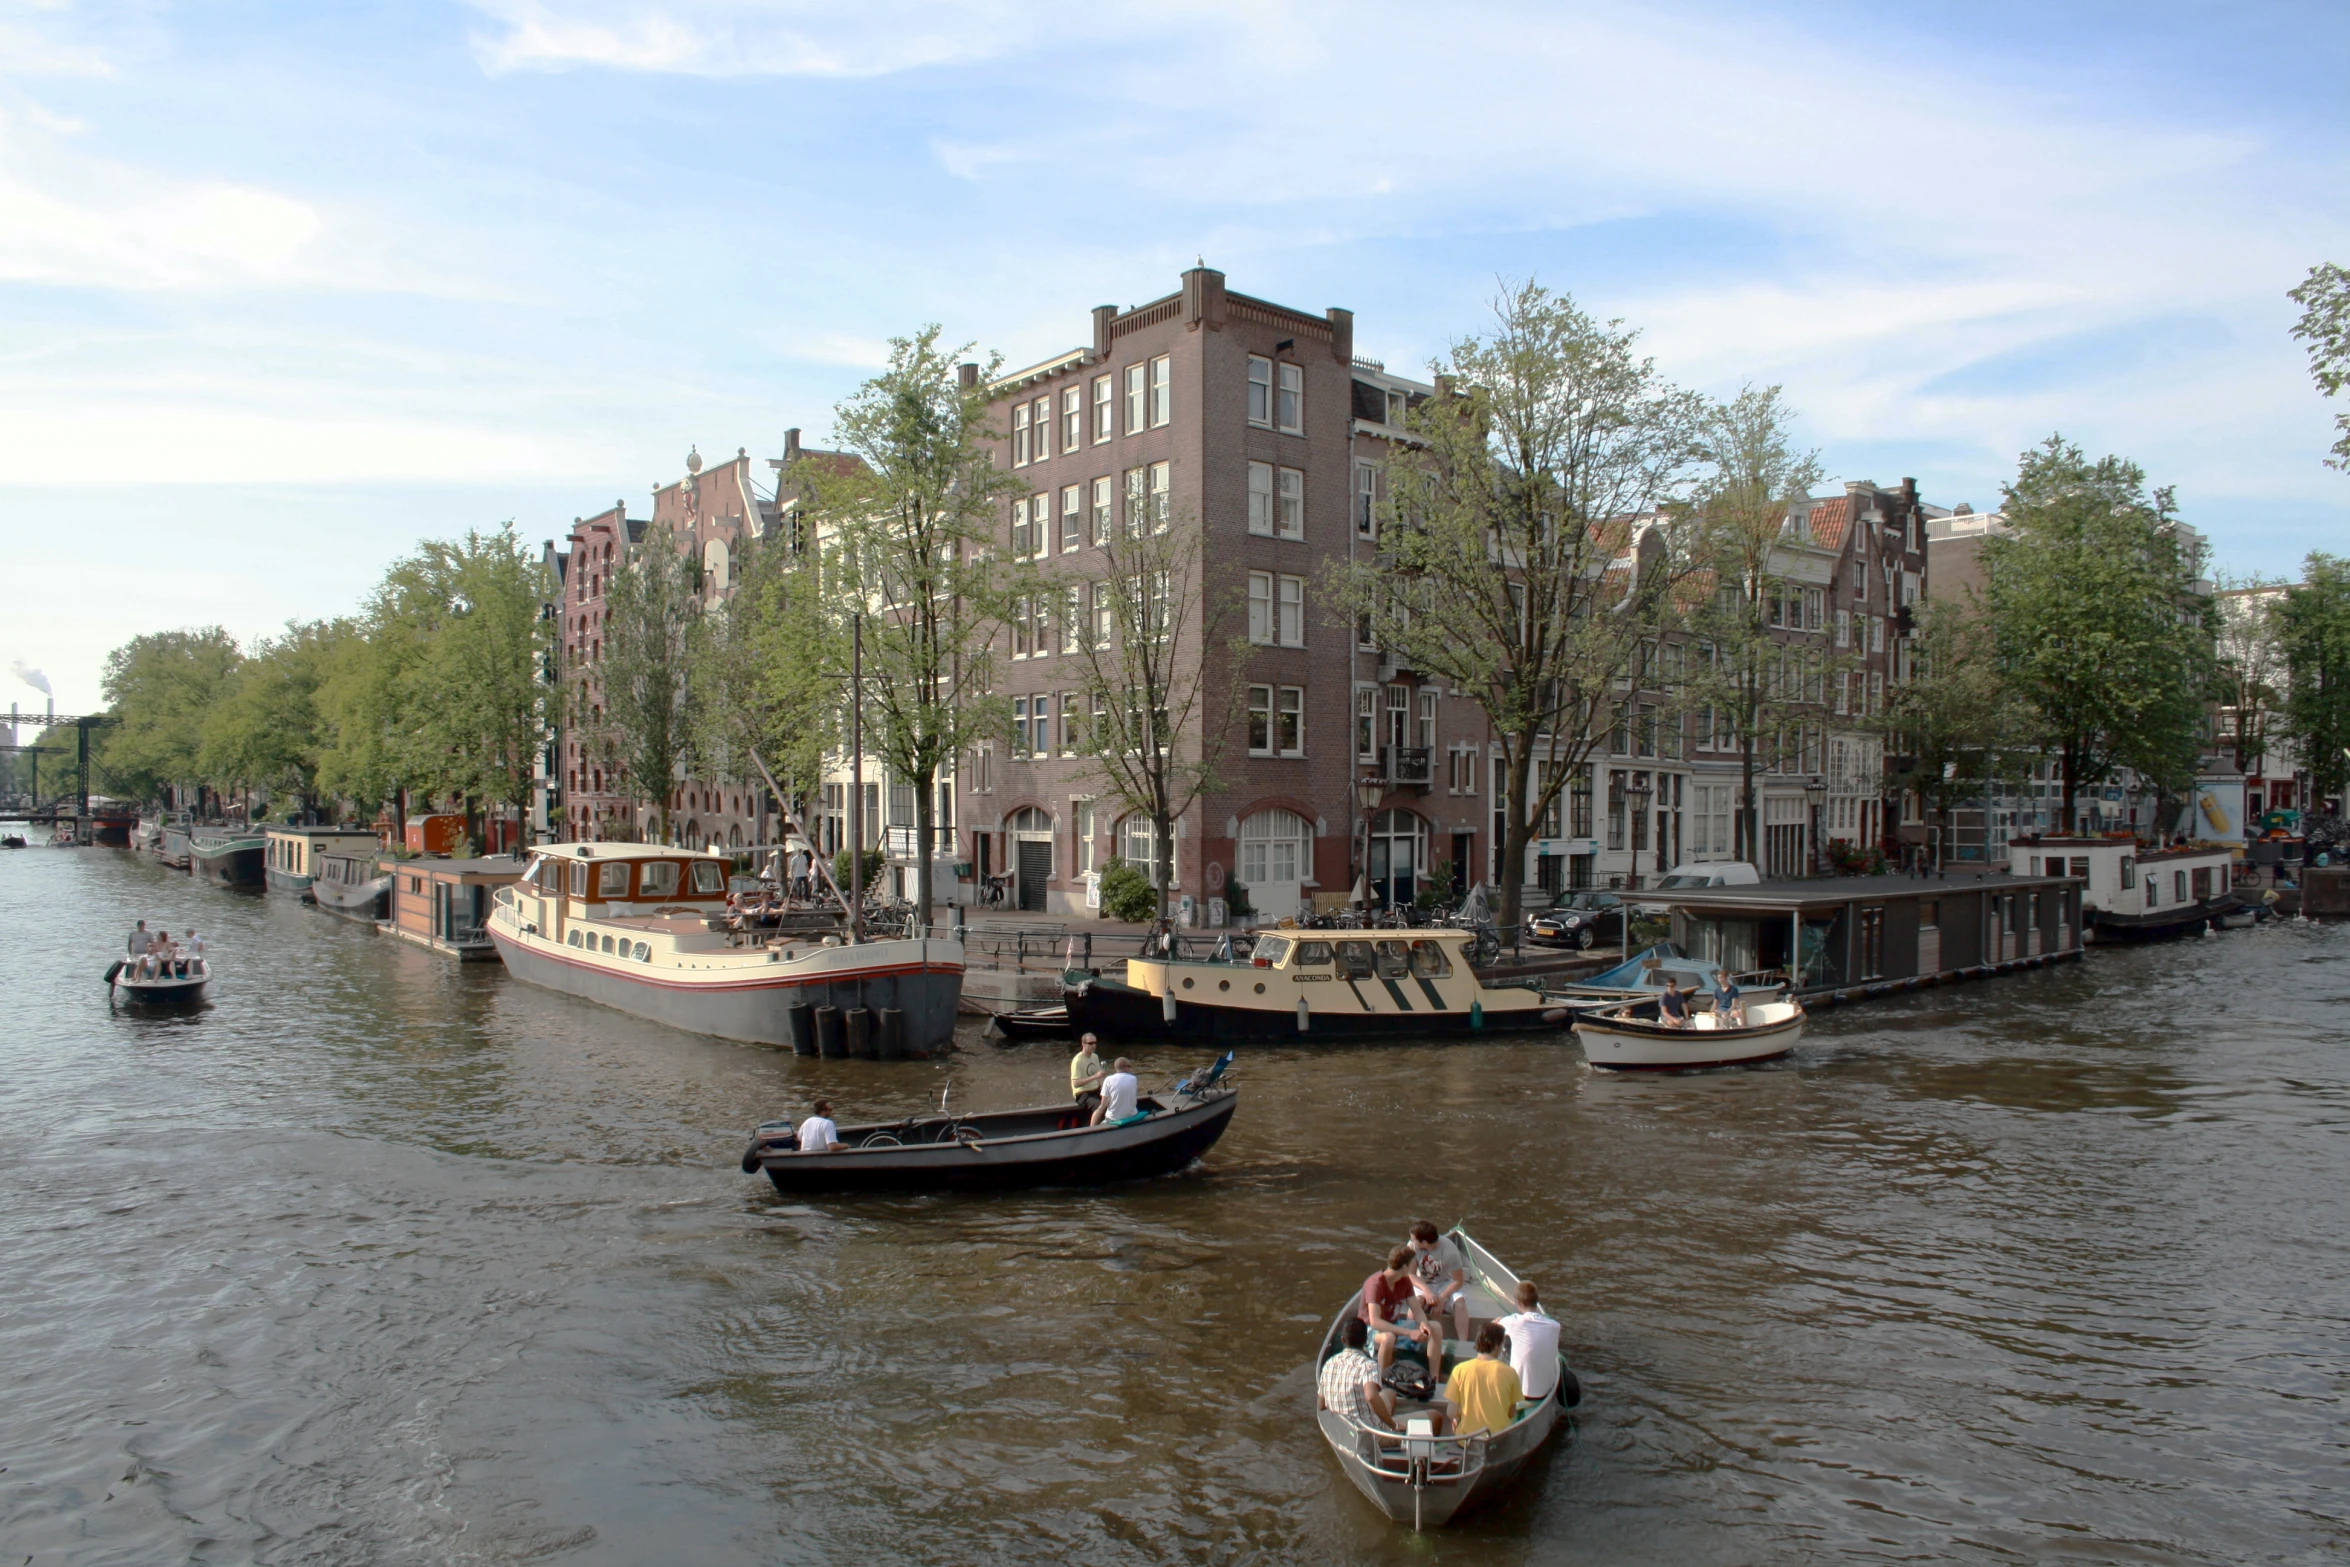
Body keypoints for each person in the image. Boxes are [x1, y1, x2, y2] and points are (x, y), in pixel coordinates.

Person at [1361, 1246, 1441, 1372]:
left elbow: (1417, 1309)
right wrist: (1409, 1332)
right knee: (1388, 1338)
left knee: (1435, 1327)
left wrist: (1423, 1324)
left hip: (1393, 1324)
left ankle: (1434, 1378)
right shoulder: (1375, 1284)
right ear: (1404, 1267)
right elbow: (1375, 1321)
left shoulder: (1405, 1281)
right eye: (1412, 1265)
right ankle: (1383, 1380)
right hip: (1369, 1329)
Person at [1440, 1321, 1523, 1437]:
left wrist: (1460, 1416)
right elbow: (1511, 1413)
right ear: (1497, 1346)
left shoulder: (1460, 1370)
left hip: (1467, 1440)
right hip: (1498, 1440)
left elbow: (1451, 1412)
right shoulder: (1510, 1372)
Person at [1316, 1316, 1396, 1432]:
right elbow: (1371, 1397)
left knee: (1389, 1394)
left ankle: (1383, 1419)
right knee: (1432, 1416)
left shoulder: (1329, 1363)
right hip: (1368, 1434)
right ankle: (1387, 1428)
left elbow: (1321, 1405)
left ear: (1343, 1340)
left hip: (1342, 1430)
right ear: (1365, 1341)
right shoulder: (1368, 1366)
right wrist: (1393, 1425)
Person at [1493, 1280, 1562, 1402]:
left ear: (1518, 1302)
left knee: (1504, 1344)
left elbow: (1492, 1327)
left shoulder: (1514, 1322)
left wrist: (1498, 1320)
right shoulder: (1555, 1326)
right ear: (1537, 1301)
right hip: (1545, 1391)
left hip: (1520, 1393)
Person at [1407, 1221, 1472, 1348]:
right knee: (1415, 1304)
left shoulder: (1450, 1251)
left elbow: (1459, 1280)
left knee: (1460, 1304)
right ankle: (1409, 1338)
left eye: (1414, 1240)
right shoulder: (1412, 1247)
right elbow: (1411, 1274)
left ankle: (1463, 1343)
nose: (1411, 1241)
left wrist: (1442, 1298)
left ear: (1424, 1242)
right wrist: (1426, 1291)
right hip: (1423, 1283)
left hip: (1445, 1283)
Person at [1090, 1058, 1139, 1124]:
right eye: (1129, 1066)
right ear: (1126, 1068)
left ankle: (1092, 1129)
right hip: (1132, 1115)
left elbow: (1104, 1104)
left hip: (1113, 1118)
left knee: (1100, 1108)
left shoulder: (1108, 1080)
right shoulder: (1134, 1079)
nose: (1130, 1068)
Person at [1069, 1033, 1107, 1104]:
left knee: (1111, 1101)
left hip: (1095, 1089)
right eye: (1090, 1043)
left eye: (1095, 1043)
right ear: (1083, 1044)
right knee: (1098, 1106)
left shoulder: (1095, 1057)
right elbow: (1076, 1084)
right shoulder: (1077, 1060)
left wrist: (1104, 1088)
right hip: (1082, 1093)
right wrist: (1095, 1076)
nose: (1094, 1045)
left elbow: (1099, 1078)